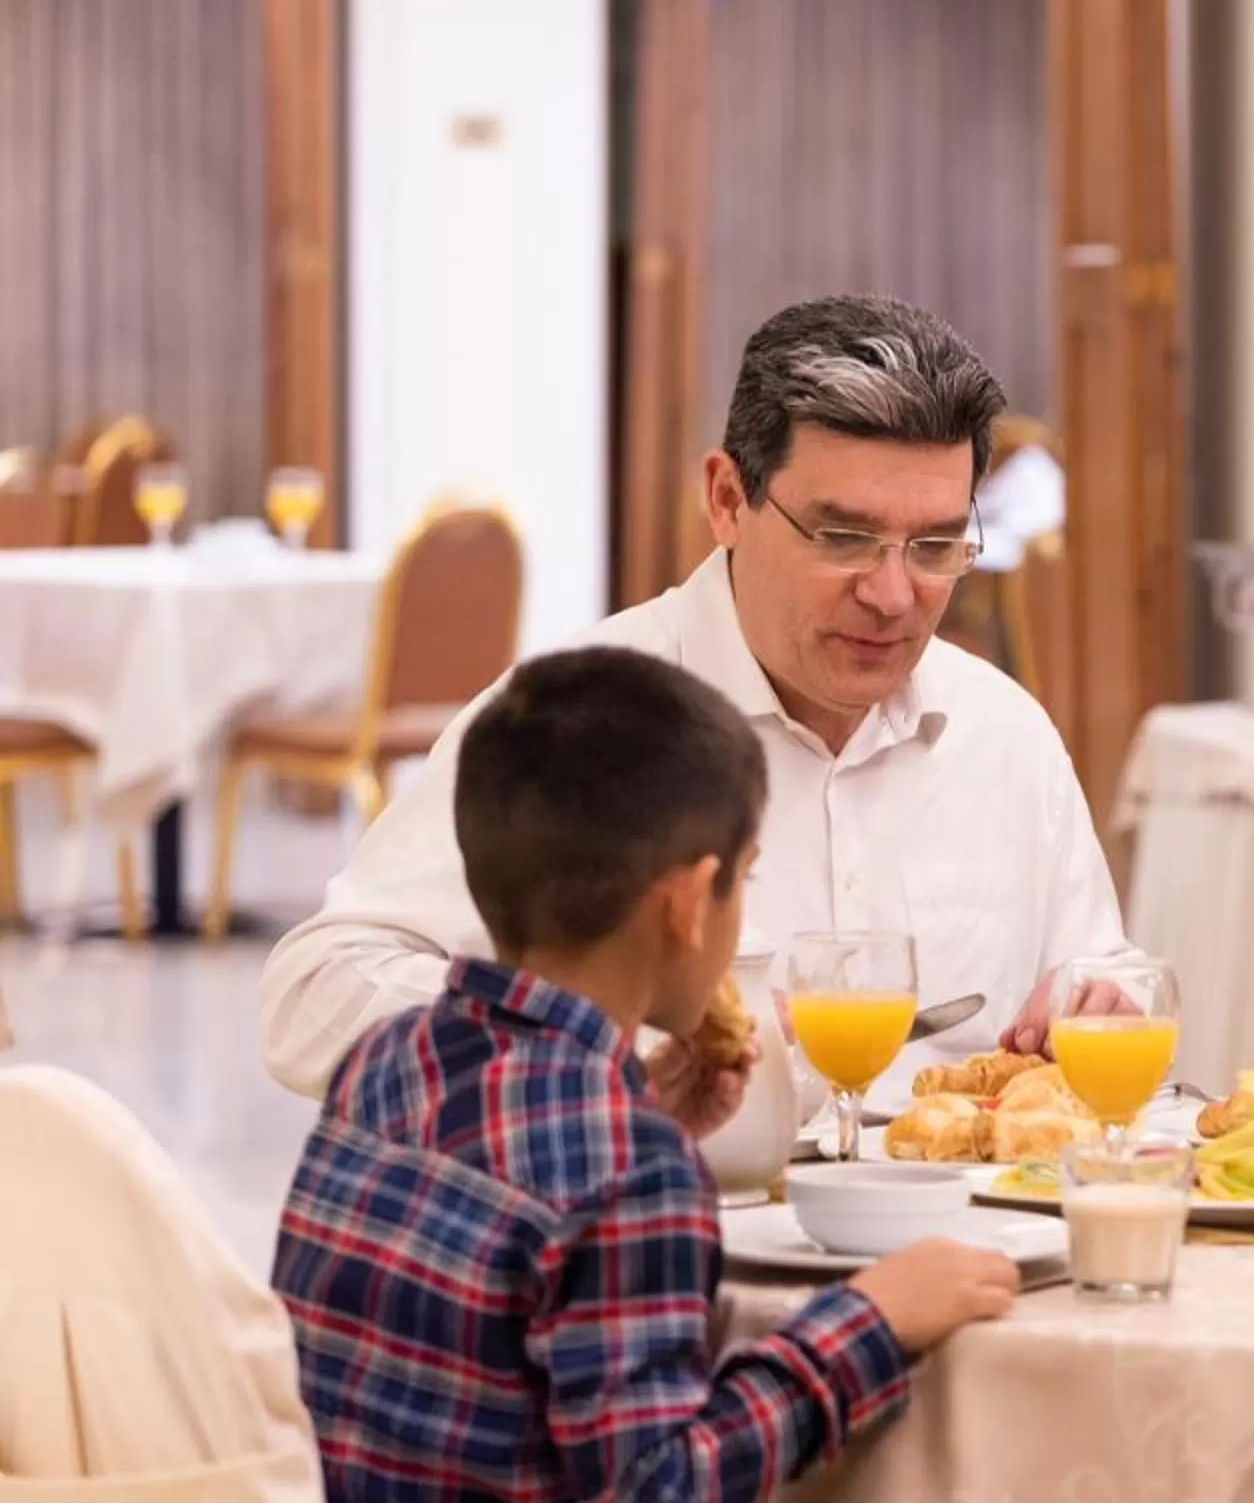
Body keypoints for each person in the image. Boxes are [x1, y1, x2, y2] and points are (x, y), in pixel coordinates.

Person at [270, 646, 1021, 1503]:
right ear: (687, 904)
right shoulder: (625, 1161)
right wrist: (871, 1321)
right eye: (744, 877)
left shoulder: (389, 1060)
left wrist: (649, 1117)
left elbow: (510, 1244)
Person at [260, 294, 1131, 1100]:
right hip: (663, 1239)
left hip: (974, 1242)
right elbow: (316, 992)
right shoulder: (588, 721)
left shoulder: (1000, 731)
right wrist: (615, 1059)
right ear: (726, 499)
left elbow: (1100, 966)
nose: (894, 596)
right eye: (845, 538)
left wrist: (1098, 1001)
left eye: (936, 545)